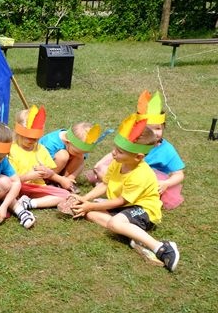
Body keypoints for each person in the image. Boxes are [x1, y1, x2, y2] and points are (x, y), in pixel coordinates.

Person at [71, 113, 180, 272]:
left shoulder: (140, 174)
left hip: (143, 210)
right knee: (89, 213)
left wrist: (89, 205)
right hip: (125, 208)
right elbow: (104, 184)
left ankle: (162, 247)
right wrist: (84, 199)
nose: (114, 153)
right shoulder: (118, 162)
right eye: (115, 149)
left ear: (138, 157)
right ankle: (132, 235)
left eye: (120, 151)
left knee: (112, 221)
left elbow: (121, 201)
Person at [88, 91, 185, 209]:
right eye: (148, 129)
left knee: (116, 179)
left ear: (164, 127)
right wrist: (100, 164)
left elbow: (179, 174)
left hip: (148, 181)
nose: (154, 133)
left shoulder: (167, 150)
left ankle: (114, 199)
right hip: (128, 171)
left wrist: (166, 183)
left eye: (158, 128)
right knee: (103, 170)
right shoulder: (134, 142)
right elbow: (117, 152)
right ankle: (109, 189)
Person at [9, 106, 71, 216]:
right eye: (28, 137)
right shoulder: (11, 150)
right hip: (17, 186)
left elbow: (50, 172)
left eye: (36, 138)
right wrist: (28, 176)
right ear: (19, 133)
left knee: (66, 195)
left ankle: (29, 203)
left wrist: (48, 173)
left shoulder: (40, 149)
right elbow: (8, 179)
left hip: (37, 187)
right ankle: (16, 203)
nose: (32, 141)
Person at [39, 121, 106, 190]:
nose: (80, 154)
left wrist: (71, 178)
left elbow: (81, 162)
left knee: (80, 158)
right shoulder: (51, 143)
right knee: (63, 156)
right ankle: (50, 182)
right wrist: (59, 179)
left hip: (61, 170)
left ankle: (65, 182)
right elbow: (41, 166)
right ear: (67, 142)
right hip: (44, 171)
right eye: (76, 152)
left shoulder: (79, 147)